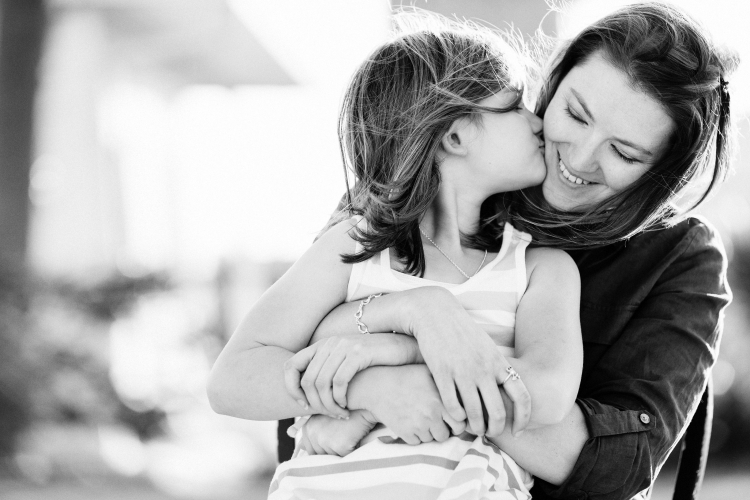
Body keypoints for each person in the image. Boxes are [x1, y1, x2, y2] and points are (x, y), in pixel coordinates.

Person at [209, 2, 737, 499]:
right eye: (575, 115)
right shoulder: (379, 217)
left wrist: (406, 361)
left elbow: (615, 466)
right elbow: (274, 371)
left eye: (624, 152)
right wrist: (412, 317)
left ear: (662, 171)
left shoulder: (649, 257)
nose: (579, 157)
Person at [209, 11, 584, 500]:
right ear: (455, 135)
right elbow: (232, 380)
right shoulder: (354, 246)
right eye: (514, 106)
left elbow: (548, 395)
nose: (538, 123)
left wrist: (393, 353)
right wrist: (370, 392)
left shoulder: (539, 270)